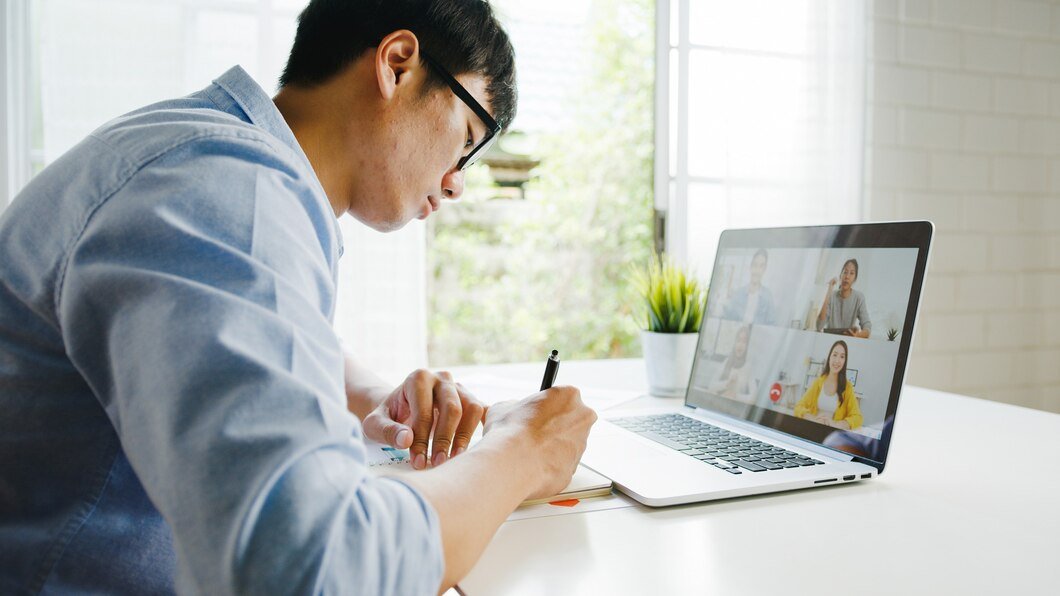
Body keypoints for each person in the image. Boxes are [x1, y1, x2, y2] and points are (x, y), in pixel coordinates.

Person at [0, 1, 596, 594]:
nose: (457, 183)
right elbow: (317, 566)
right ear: (397, 64)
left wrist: (364, 393)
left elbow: (210, 327)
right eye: (467, 139)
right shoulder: (228, 197)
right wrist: (523, 452)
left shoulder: (196, 153)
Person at [793, 340, 863, 430]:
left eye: (842, 357)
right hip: (813, 428)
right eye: (834, 355)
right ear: (829, 357)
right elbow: (798, 407)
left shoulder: (847, 387)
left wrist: (836, 424)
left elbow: (857, 418)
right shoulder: (818, 382)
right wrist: (813, 419)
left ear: (845, 361)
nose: (837, 360)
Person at [816, 258, 872, 338]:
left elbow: (867, 327)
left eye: (851, 273)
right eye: (845, 272)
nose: (847, 277)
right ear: (840, 275)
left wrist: (858, 335)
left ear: (855, 279)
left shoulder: (859, 298)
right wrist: (829, 290)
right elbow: (819, 326)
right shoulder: (832, 296)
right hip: (829, 339)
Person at [722, 248, 775, 325]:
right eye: (755, 265)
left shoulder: (768, 296)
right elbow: (728, 319)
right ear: (750, 267)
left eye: (761, 266)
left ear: (764, 269)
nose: (757, 270)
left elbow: (772, 324)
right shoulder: (738, 293)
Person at [708, 325, 758, 401]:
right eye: (738, 340)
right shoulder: (727, 361)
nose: (740, 345)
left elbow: (754, 397)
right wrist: (727, 383)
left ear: (748, 346)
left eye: (744, 342)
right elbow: (711, 386)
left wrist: (736, 396)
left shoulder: (748, 367)